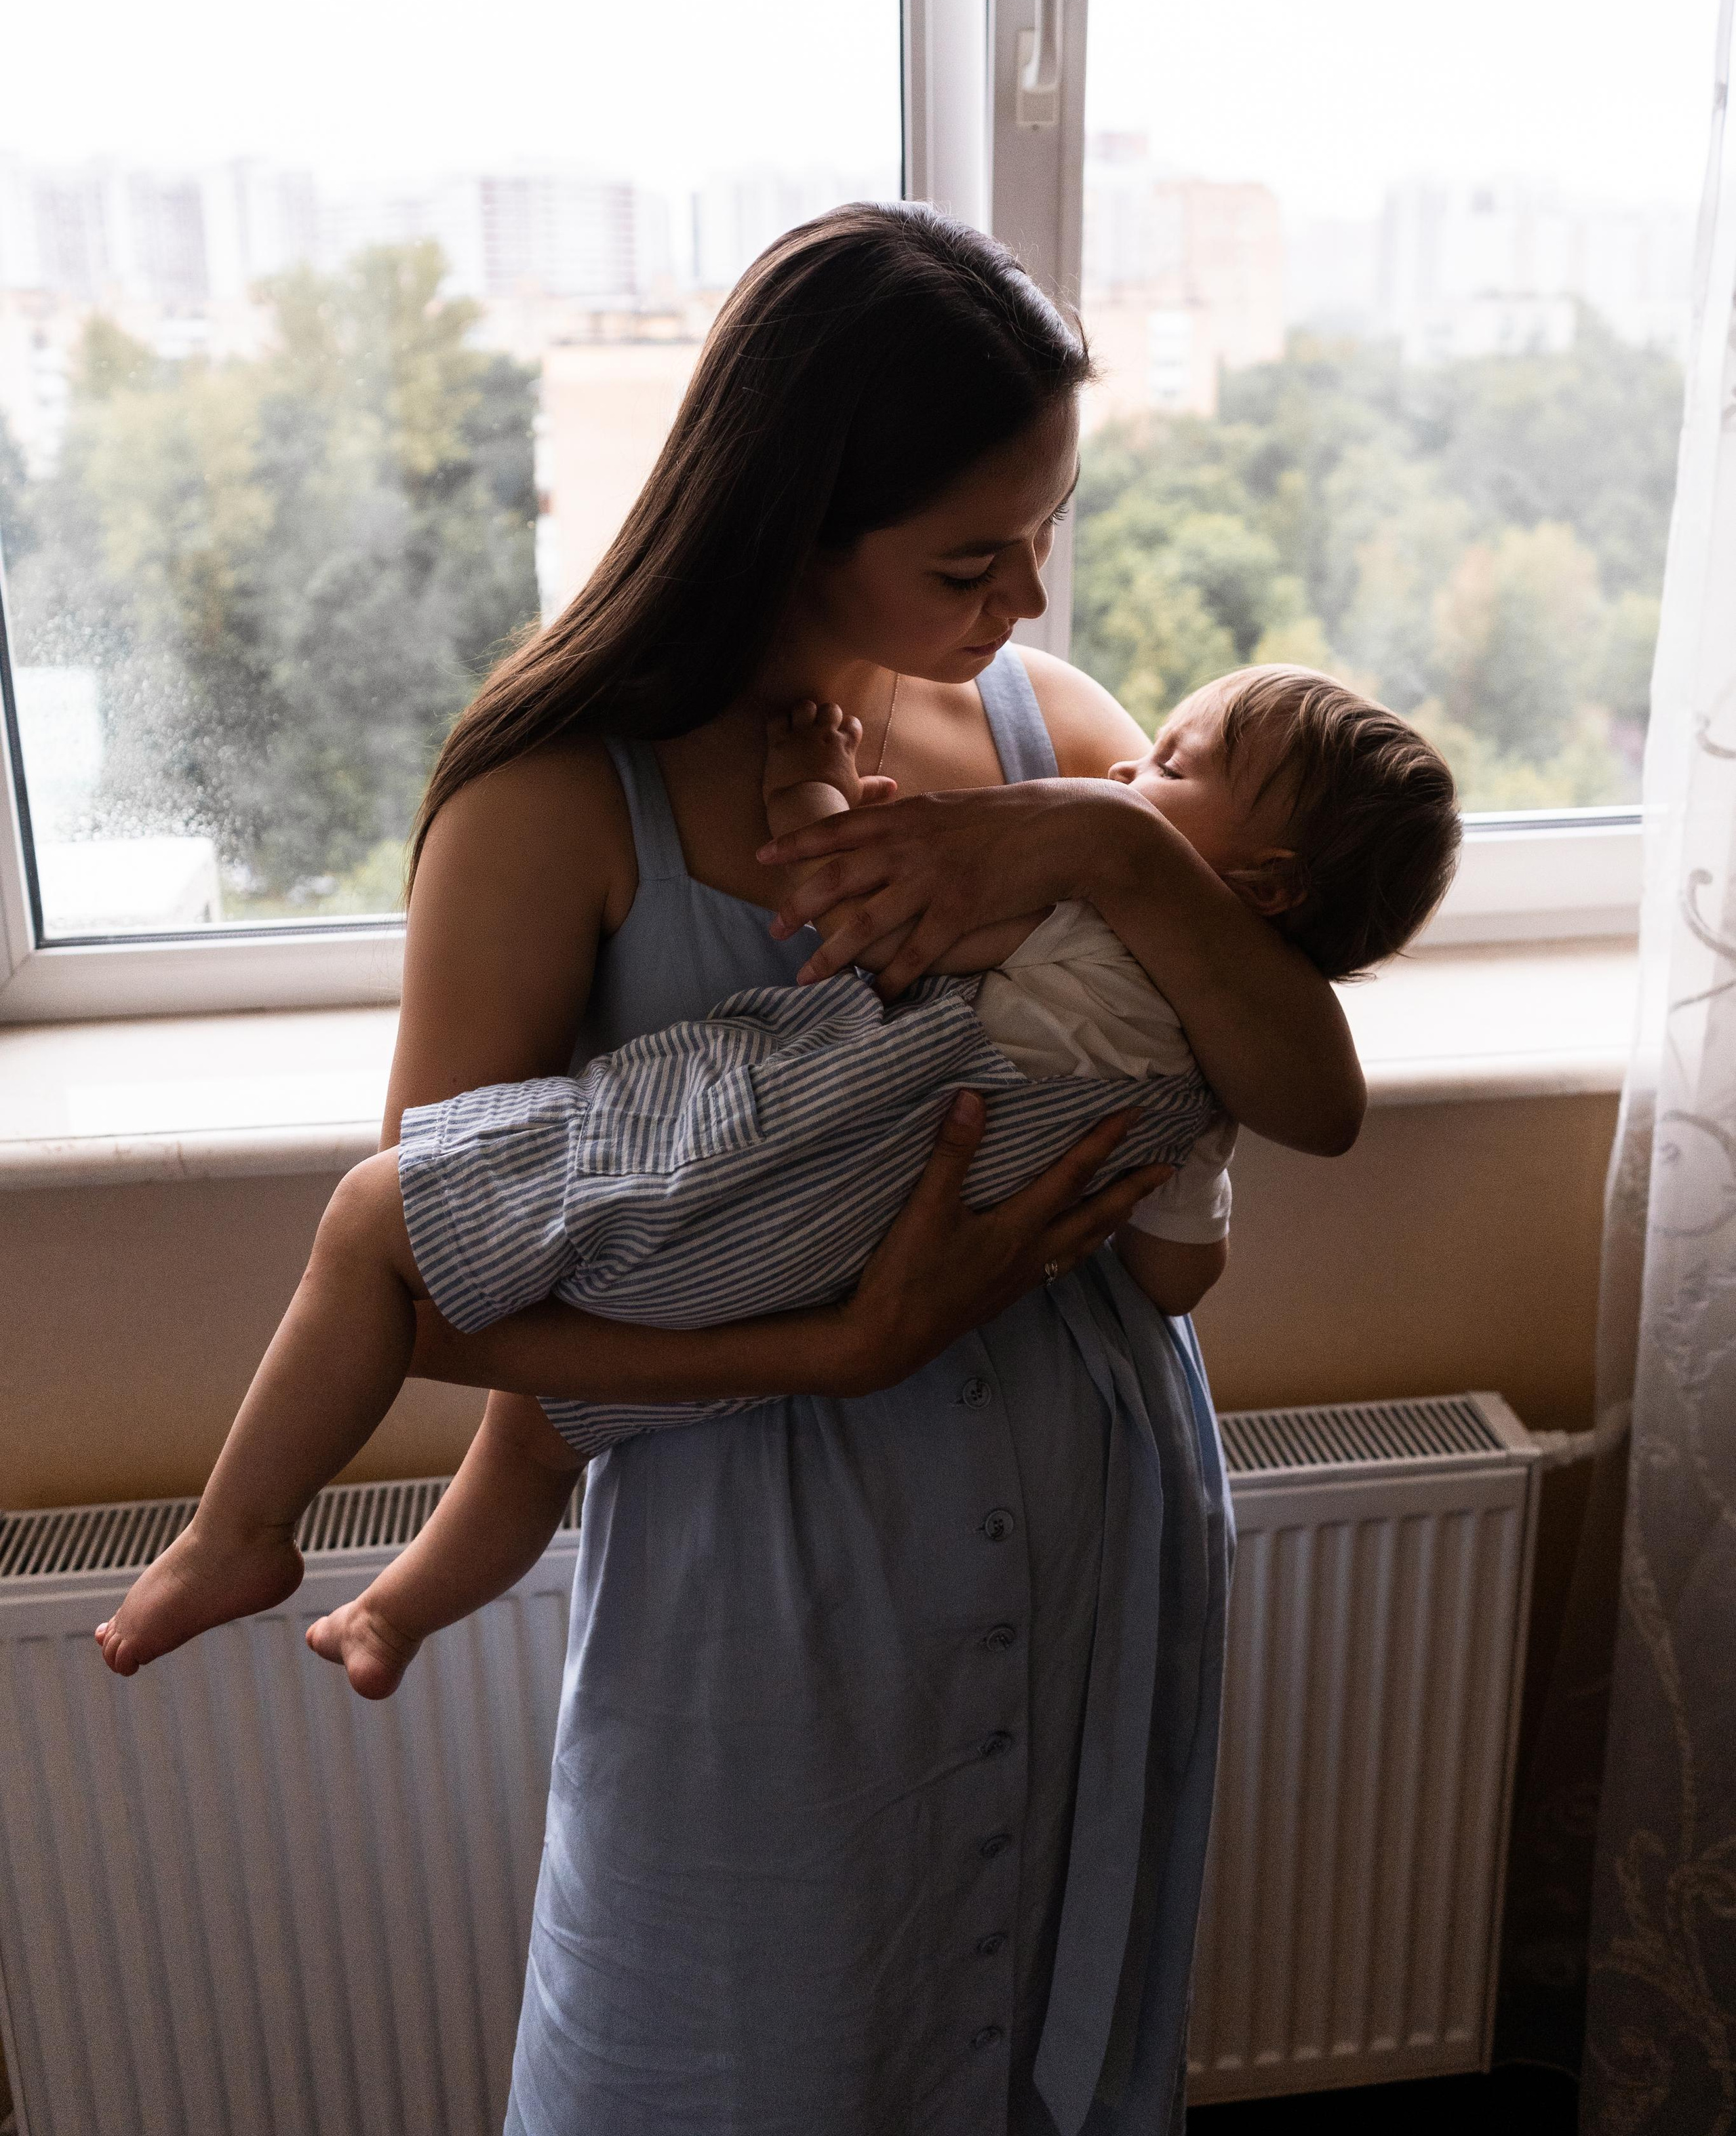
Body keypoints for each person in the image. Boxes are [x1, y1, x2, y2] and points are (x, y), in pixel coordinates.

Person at [115, 205, 1375, 2136]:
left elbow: (1310, 1090)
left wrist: (1103, 858)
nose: (1027, 597)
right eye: (970, 557)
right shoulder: (553, 802)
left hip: (1096, 1515)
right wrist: (842, 1351)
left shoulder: (1075, 754)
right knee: (733, 2065)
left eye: (1045, 529)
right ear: (796, 522)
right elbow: (445, 1279)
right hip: (766, 1589)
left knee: (1038, 2046)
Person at [96, 664, 1457, 1697]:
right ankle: (387, 1606)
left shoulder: (1084, 874)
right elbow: (1172, 1271)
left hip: (756, 1200)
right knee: (538, 1432)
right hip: (805, 1332)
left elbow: (853, 909)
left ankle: (253, 1534)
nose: (1120, 771)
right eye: (977, 552)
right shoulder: (1202, 1072)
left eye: (1168, 763)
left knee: (397, 1244)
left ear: (1264, 881)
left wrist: (815, 785)